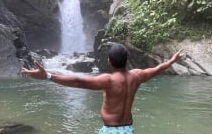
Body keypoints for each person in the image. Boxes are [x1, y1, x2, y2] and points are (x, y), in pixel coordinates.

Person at [21, 43, 183, 134]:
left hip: (110, 131)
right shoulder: (137, 76)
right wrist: (171, 61)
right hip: (128, 129)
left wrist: (48, 76)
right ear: (126, 60)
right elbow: (156, 70)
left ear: (109, 62)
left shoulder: (108, 80)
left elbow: (79, 82)